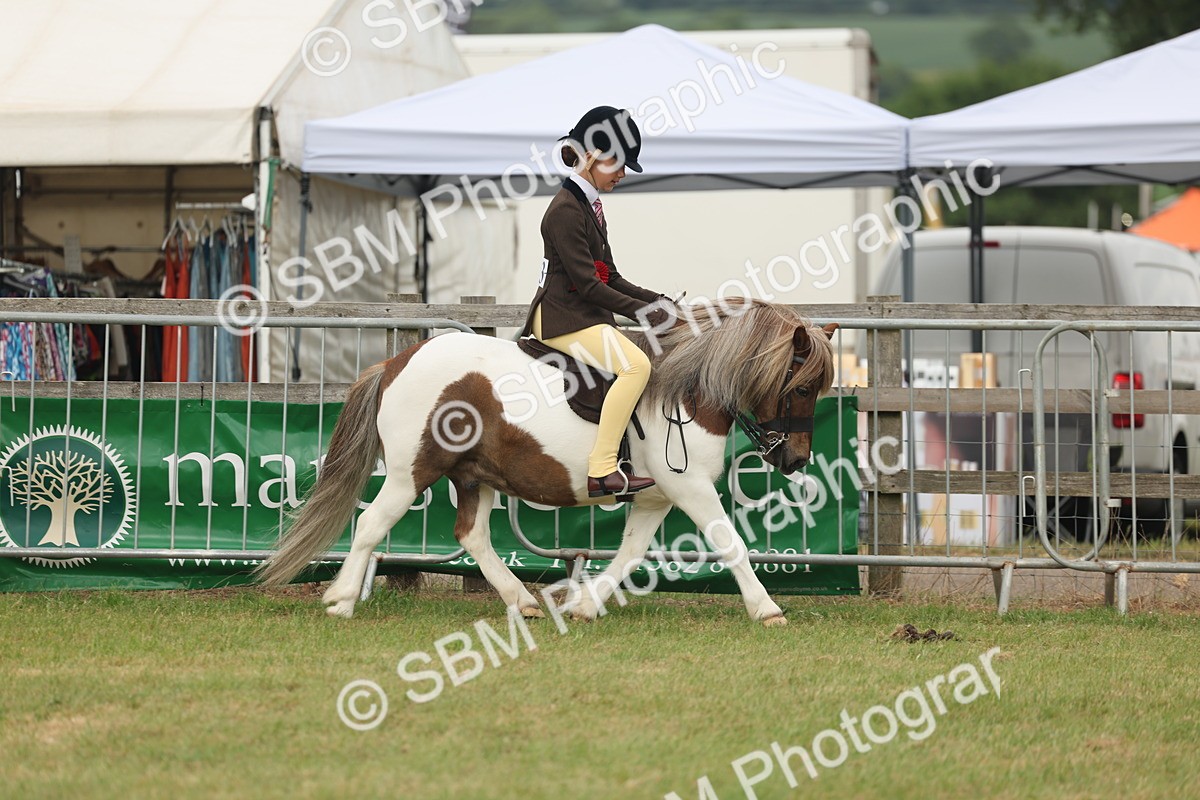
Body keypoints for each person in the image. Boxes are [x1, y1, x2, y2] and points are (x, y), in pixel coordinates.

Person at [519, 106, 672, 498]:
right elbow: (589, 287)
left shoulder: (588, 205)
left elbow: (611, 277)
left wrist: (659, 302)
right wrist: (645, 313)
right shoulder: (565, 211)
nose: (623, 174)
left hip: (583, 315)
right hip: (562, 319)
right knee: (636, 366)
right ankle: (603, 469)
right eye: (619, 164)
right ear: (593, 156)